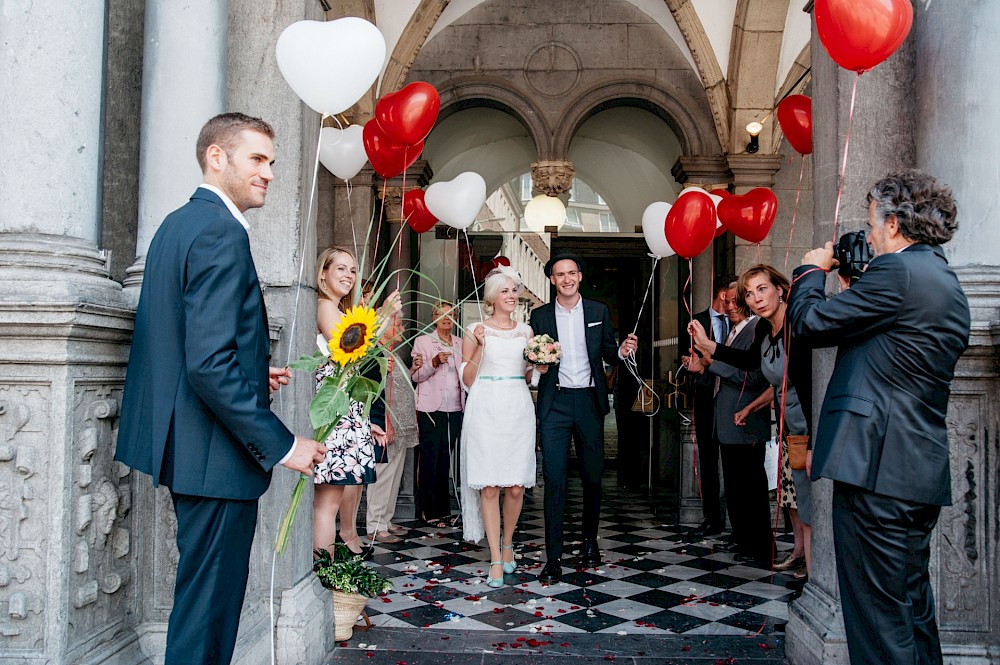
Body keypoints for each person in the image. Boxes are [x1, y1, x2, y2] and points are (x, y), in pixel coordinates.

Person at [115, 113, 326, 665]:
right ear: (216, 156)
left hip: (192, 448)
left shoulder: (178, 223)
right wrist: (284, 444)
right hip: (214, 457)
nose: (269, 174)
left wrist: (257, 377)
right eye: (257, 159)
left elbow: (189, 345)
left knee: (201, 608)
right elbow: (208, 365)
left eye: (272, 162)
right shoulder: (220, 230)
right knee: (208, 619)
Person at [788, 171, 970, 665]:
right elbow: (890, 352)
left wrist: (809, 273)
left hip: (875, 472)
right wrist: (853, 294)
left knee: (876, 621)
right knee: (910, 611)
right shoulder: (944, 281)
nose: (867, 236)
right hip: (916, 471)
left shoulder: (899, 272)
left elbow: (807, 324)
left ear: (893, 224)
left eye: (871, 223)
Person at [688, 265, 813, 581]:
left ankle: (815, 575)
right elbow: (746, 361)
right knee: (797, 498)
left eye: (762, 289)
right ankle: (805, 561)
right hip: (789, 424)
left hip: (809, 426)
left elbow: (803, 380)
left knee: (805, 503)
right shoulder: (763, 330)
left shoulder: (798, 323)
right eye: (749, 293)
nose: (755, 298)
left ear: (780, 289)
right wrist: (707, 344)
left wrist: (811, 437)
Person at [529, 253, 639, 584]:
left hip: (589, 403)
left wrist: (621, 351)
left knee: (593, 477)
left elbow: (608, 352)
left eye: (571, 273)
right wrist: (538, 365)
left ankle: (590, 540)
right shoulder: (540, 316)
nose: (566, 278)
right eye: (559, 274)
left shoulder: (597, 311)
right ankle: (553, 558)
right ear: (552, 280)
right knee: (555, 480)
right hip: (555, 403)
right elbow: (534, 356)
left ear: (579, 276)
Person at [459, 266, 539, 588]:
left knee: (516, 486)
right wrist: (480, 345)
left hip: (518, 406)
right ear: (492, 296)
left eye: (514, 291)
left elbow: (529, 375)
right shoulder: (474, 328)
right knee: (490, 486)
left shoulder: (526, 332)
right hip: (486, 405)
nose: (512, 296)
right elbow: (466, 379)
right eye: (505, 291)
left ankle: (508, 544)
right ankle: (494, 556)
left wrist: (539, 365)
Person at [687, 282, 774, 566]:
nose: (731, 304)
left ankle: (759, 543)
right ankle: (742, 535)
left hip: (746, 420)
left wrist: (709, 363)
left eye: (739, 299)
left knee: (751, 487)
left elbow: (752, 376)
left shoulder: (755, 329)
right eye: (728, 300)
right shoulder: (736, 331)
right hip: (728, 420)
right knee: (736, 485)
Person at [312, 247, 387, 558]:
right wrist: (383, 318)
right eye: (340, 268)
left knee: (334, 499)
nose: (348, 275)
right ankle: (326, 574)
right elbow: (349, 350)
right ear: (323, 274)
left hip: (346, 414)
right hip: (333, 418)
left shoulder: (341, 311)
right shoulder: (325, 307)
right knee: (326, 504)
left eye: (353, 270)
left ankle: (330, 570)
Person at [361, 282, 418, 545]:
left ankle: (386, 519)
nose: (403, 329)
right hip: (387, 425)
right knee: (382, 475)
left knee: (394, 476)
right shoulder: (376, 353)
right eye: (400, 323)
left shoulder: (393, 353)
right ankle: (375, 525)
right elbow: (378, 393)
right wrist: (384, 422)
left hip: (401, 425)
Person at [688, 273, 736, 538]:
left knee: (732, 461)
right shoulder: (697, 321)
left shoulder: (744, 322)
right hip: (706, 396)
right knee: (707, 458)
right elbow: (685, 356)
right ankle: (712, 518)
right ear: (723, 295)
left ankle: (736, 522)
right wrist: (690, 363)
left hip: (733, 398)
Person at [410, 301, 465, 527]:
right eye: (441, 315)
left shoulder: (462, 344)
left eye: (451, 315)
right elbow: (416, 376)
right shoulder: (423, 341)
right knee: (429, 459)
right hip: (429, 408)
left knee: (445, 460)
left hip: (455, 408)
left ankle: (443, 510)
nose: (446, 319)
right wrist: (433, 362)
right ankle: (427, 510)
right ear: (433, 317)